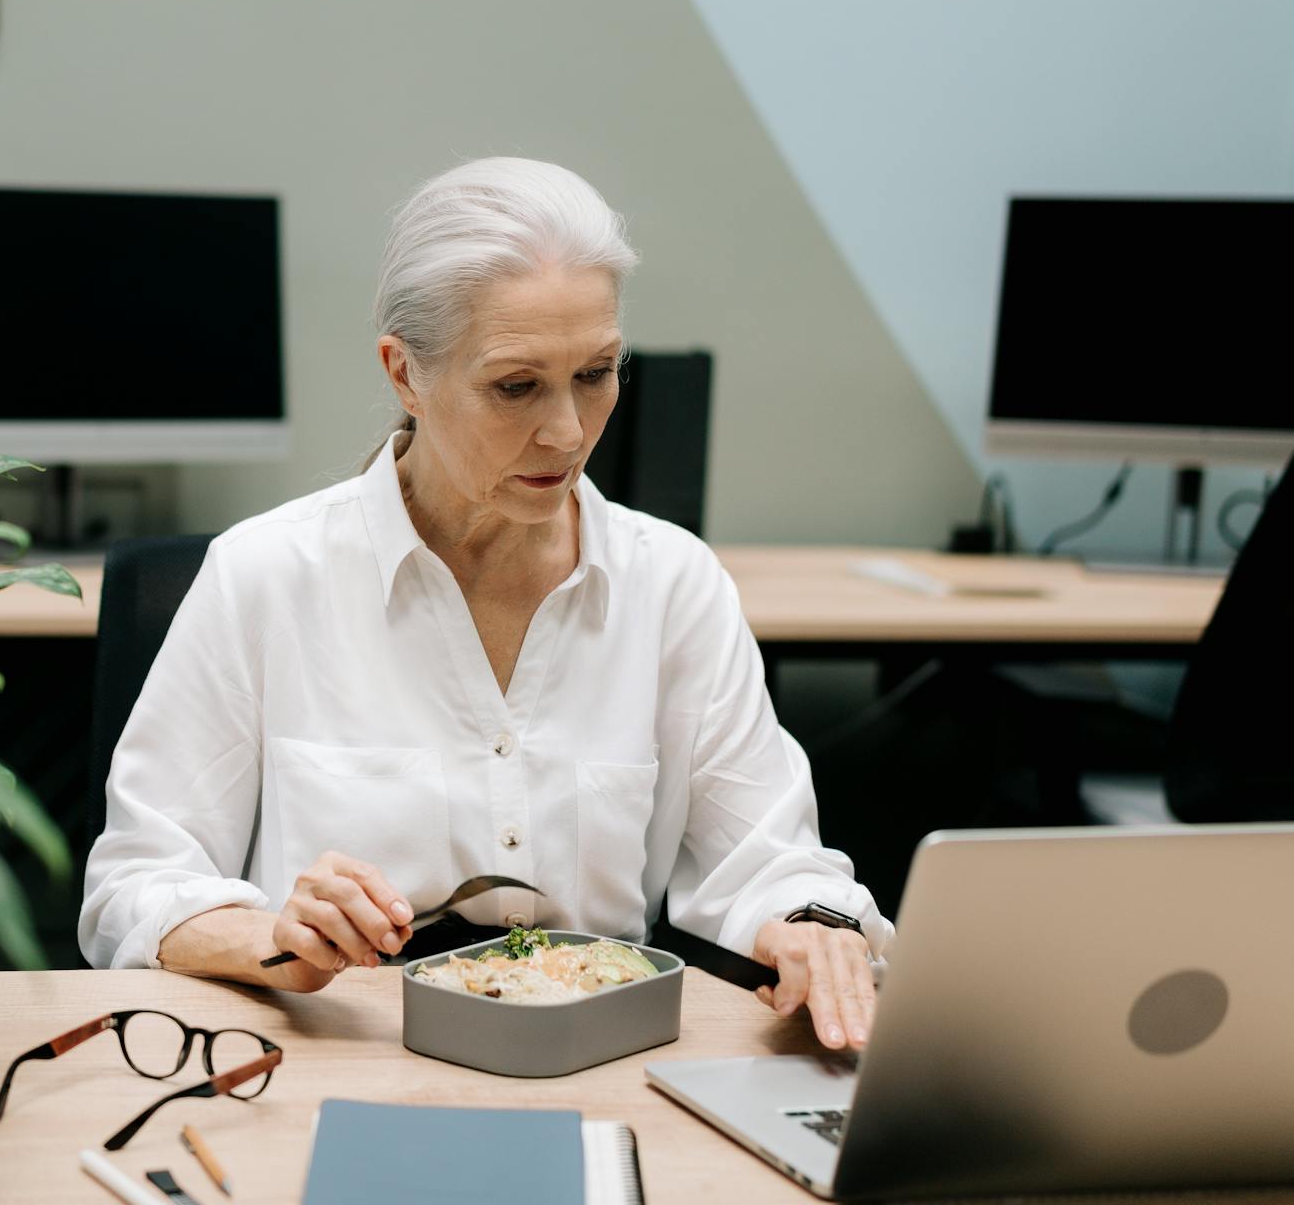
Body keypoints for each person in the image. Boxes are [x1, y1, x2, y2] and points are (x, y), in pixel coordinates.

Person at [80, 157, 890, 1050]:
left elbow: (770, 859)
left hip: (598, 1064)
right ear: (405, 375)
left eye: (598, 373)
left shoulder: (672, 585)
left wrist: (818, 929)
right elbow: (135, 884)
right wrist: (270, 937)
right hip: (341, 1063)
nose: (569, 431)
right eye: (517, 386)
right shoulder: (268, 575)